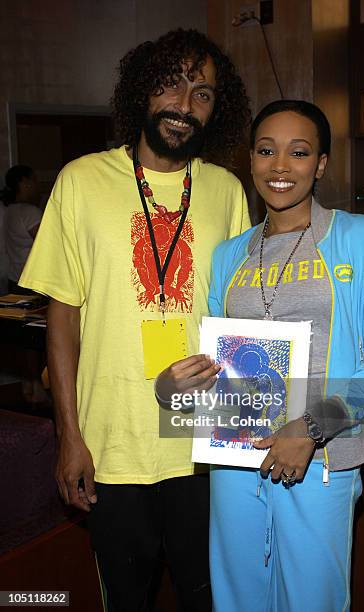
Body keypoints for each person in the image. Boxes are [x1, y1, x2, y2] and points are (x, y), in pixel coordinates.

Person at [19, 28, 251, 612]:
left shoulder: (225, 190)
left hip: (203, 439)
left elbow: (241, 316)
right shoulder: (80, 181)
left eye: (202, 92)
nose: (185, 103)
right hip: (113, 439)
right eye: (171, 84)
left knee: (207, 595)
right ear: (141, 92)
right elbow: (62, 317)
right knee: (126, 597)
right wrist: (70, 436)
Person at [205, 100, 364, 611]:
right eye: (266, 151)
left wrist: (310, 428)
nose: (280, 167)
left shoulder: (361, 240)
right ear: (249, 160)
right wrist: (195, 376)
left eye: (298, 153)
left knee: (311, 599)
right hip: (236, 455)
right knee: (237, 598)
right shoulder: (228, 254)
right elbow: (218, 359)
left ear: (319, 165)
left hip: (321, 454)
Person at [1, 165, 42, 293]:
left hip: (14, 279)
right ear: (25, 182)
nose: (37, 185)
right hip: (31, 281)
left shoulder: (8, 210)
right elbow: (48, 243)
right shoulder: (30, 213)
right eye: (34, 180)